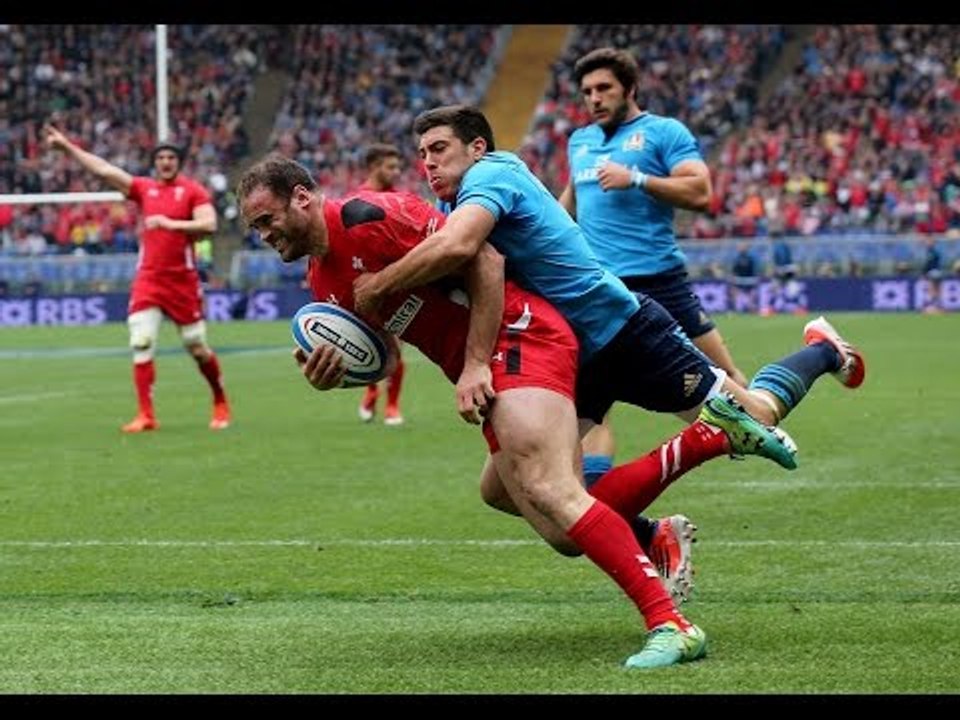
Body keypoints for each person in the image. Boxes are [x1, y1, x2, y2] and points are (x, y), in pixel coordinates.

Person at [237, 155, 799, 669]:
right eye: (255, 228)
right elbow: (385, 356)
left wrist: (477, 363)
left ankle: (672, 625)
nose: (263, 236)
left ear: (303, 197)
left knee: (549, 487)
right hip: (491, 363)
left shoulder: (370, 215)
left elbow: (483, 259)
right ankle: (695, 457)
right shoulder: (321, 280)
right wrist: (339, 371)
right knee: (537, 515)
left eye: (266, 219)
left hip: (518, 335)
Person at [352, 104, 867, 614]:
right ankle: (654, 534)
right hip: (567, 355)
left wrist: (375, 287)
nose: (428, 164)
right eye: (421, 154)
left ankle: (821, 349)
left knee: (757, 417)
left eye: (439, 149)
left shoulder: (493, 174)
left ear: (477, 148)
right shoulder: (452, 207)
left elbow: (460, 247)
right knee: (507, 489)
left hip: (624, 334)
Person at [558, 47, 753, 588]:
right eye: (587, 92)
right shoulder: (578, 142)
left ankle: (822, 352)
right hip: (597, 293)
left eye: (604, 89)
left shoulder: (664, 133)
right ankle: (619, 519)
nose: (594, 100)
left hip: (659, 287)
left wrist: (638, 179)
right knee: (587, 415)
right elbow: (565, 208)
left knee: (740, 405)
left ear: (629, 87)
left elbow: (702, 192)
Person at [43, 124, 231, 433]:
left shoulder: (193, 191)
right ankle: (146, 415)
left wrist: (169, 223)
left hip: (182, 281)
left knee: (196, 346)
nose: (166, 162)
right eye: (161, 157)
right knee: (141, 342)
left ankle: (220, 400)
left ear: (179, 162)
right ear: (155, 162)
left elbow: (209, 225)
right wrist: (66, 147)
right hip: (149, 280)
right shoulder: (144, 189)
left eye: (171, 157)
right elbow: (104, 169)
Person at [356, 143, 407, 425]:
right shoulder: (357, 200)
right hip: (363, 284)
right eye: (391, 166)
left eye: (398, 166)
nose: (396, 172)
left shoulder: (399, 199)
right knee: (367, 345)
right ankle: (372, 392)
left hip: (394, 283)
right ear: (374, 166)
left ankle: (392, 406)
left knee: (396, 348)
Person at [731, 241, 761, 313]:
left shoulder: (751, 257)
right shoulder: (737, 258)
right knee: (734, 291)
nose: (740, 248)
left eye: (742, 247)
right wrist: (733, 277)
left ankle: (752, 308)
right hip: (739, 279)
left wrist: (756, 277)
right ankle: (735, 308)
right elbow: (734, 269)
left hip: (750, 279)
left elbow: (755, 269)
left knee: (751, 294)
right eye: (739, 247)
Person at [920, 234, 944, 314]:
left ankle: (933, 307)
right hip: (937, 272)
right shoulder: (934, 251)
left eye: (929, 242)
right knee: (937, 291)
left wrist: (923, 273)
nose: (927, 243)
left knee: (933, 290)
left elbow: (929, 264)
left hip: (933, 273)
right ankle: (938, 307)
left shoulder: (932, 252)